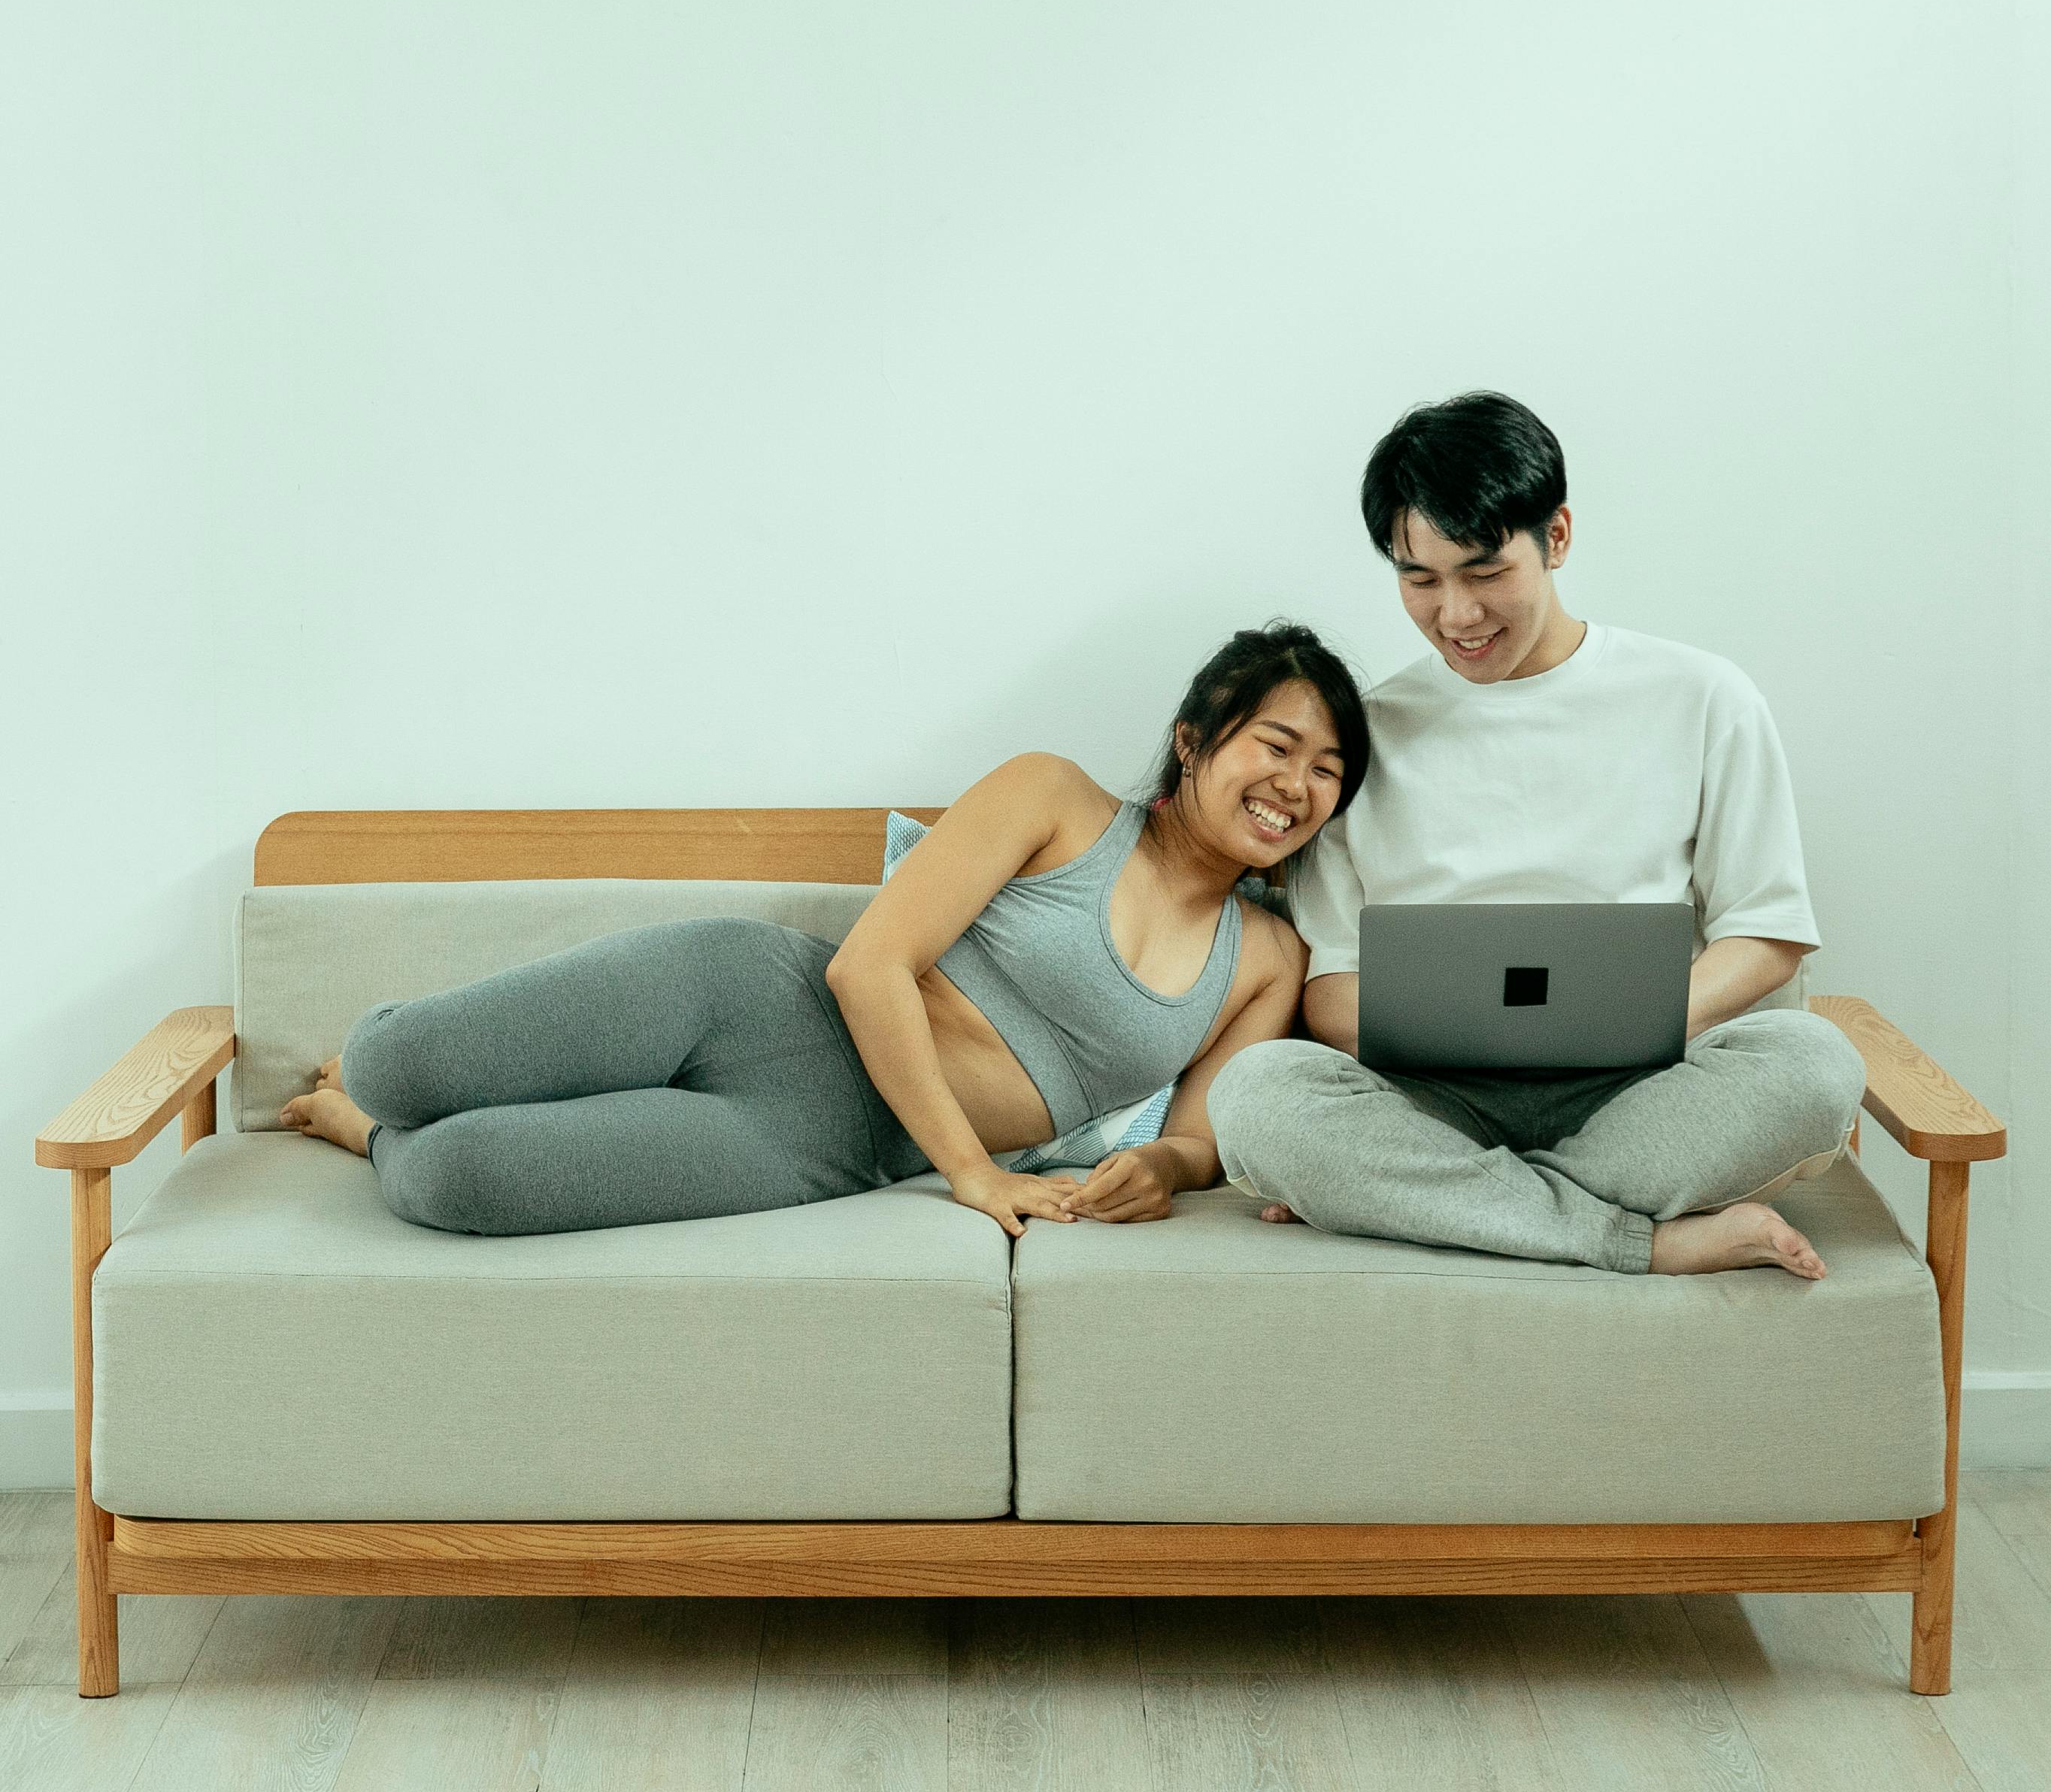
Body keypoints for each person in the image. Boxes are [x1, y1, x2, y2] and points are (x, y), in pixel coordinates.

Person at [280, 622, 1369, 1241]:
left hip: (822, 1142)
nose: (1295, 785)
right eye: (1275, 745)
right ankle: (376, 1080)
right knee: (400, 1058)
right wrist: (974, 1175)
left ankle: (361, 1129)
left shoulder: (1268, 961)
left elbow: (1197, 1135)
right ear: (1194, 740)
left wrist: (1165, 1174)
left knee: (459, 1183)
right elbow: (870, 966)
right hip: (755, 993)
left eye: (1327, 771)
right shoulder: (1055, 799)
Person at [1205, 393, 1866, 1280]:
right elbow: (1331, 989)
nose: (1456, 615)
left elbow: (1768, 930)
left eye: (1484, 572)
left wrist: (1629, 1025)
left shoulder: (1702, 696)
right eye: (1419, 579)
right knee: (1257, 1096)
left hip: (1643, 1090)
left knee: (1816, 1066)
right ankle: (1630, 1238)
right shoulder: (1359, 736)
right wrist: (1466, 1044)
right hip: (1435, 1101)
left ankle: (1453, 1208)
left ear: (1554, 537)